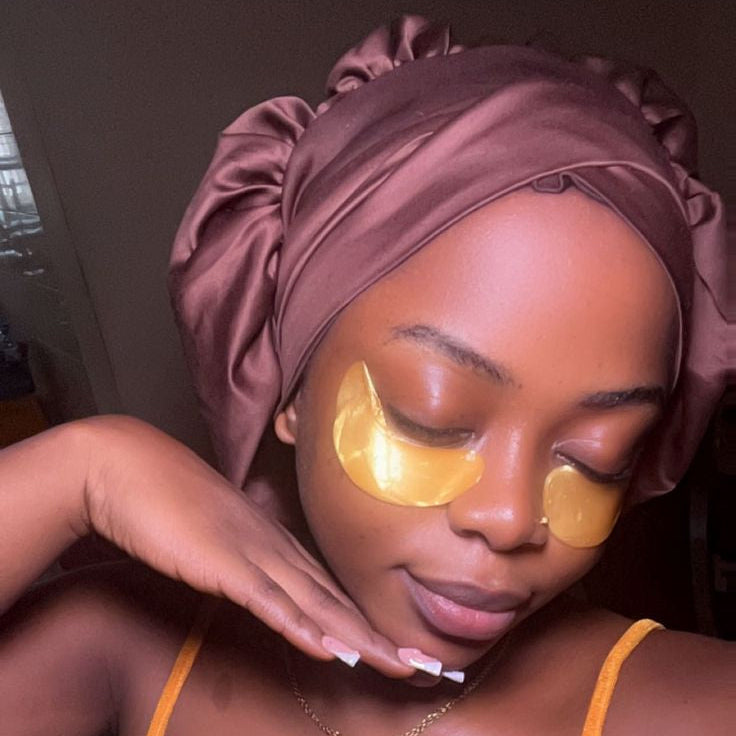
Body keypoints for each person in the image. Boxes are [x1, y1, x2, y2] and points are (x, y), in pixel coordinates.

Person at [0, 15, 732, 736]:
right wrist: (82, 469)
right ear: (292, 385)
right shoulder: (122, 647)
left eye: (598, 459)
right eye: (430, 421)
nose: (509, 519)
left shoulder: (696, 706)